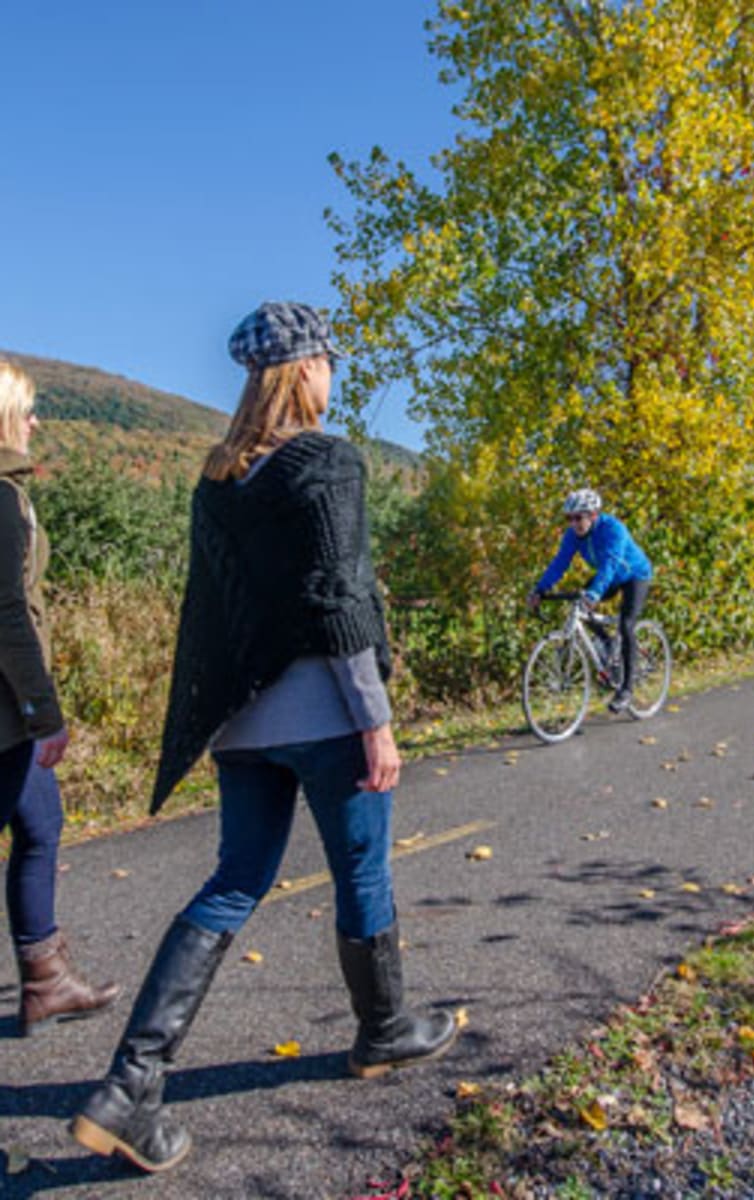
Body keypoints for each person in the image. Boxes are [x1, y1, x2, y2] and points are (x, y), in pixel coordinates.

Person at [70, 302, 458, 1174]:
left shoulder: (219, 478)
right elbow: (340, 598)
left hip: (242, 728)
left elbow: (214, 615)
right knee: (361, 868)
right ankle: (385, 1028)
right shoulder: (328, 462)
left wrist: (211, 717)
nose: (334, 371)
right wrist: (377, 719)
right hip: (327, 716)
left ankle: (130, 1084)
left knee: (235, 881)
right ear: (306, 368)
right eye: (329, 357)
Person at [0, 358, 120, 1036]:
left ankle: (46, 979)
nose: (38, 421)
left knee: (42, 824)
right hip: (7, 709)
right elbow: (9, 615)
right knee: (39, 826)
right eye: (29, 408)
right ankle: (45, 979)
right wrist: (43, 713)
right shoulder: (3, 498)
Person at [527, 488, 653, 712]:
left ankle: (626, 689)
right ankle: (606, 643)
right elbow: (560, 563)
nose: (574, 523)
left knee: (626, 625)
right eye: (569, 518)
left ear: (593, 514)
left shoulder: (613, 529)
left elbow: (610, 564)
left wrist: (594, 593)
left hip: (634, 575)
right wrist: (540, 589)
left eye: (578, 517)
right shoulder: (572, 536)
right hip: (610, 576)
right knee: (581, 605)